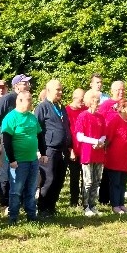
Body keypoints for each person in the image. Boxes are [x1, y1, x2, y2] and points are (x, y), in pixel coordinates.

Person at [1, 91, 46, 223]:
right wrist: (12, 159)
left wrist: (43, 153)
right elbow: (6, 141)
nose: (31, 103)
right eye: (29, 100)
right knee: (16, 191)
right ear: (19, 101)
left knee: (31, 189)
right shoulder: (10, 118)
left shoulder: (32, 117)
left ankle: (31, 215)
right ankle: (13, 216)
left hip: (32, 160)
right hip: (18, 162)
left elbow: (39, 135)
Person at [34, 79, 71, 217]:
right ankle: (42, 208)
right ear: (49, 90)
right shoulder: (42, 107)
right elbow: (36, 130)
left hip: (62, 150)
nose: (60, 92)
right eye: (58, 90)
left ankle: (52, 206)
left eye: (61, 89)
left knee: (59, 179)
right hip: (49, 149)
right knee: (48, 179)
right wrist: (39, 150)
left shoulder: (61, 107)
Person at [0, 74, 32, 203]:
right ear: (16, 86)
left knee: (20, 170)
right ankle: (5, 201)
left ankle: (18, 199)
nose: (28, 85)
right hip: (6, 139)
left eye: (28, 83)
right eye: (25, 83)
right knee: (6, 171)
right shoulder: (7, 99)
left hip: (21, 142)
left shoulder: (26, 99)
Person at [75, 90, 107, 216]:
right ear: (89, 102)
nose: (99, 103)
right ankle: (85, 206)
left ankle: (93, 204)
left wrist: (100, 142)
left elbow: (104, 134)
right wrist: (95, 141)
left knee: (96, 180)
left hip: (98, 153)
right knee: (87, 180)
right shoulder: (83, 116)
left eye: (99, 101)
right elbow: (79, 136)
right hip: (87, 153)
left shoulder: (100, 117)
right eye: (96, 101)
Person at [104, 98, 127, 214]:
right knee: (115, 182)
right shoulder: (114, 120)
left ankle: (121, 203)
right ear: (122, 108)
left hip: (126, 158)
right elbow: (108, 139)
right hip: (115, 157)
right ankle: (115, 205)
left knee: (123, 182)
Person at [66, 88, 86, 206]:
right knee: (74, 176)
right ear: (74, 97)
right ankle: (73, 201)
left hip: (85, 150)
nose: (83, 101)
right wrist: (70, 149)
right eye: (81, 99)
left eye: (84, 99)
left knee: (86, 177)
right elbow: (67, 132)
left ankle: (85, 200)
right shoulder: (67, 110)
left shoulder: (85, 110)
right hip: (73, 149)